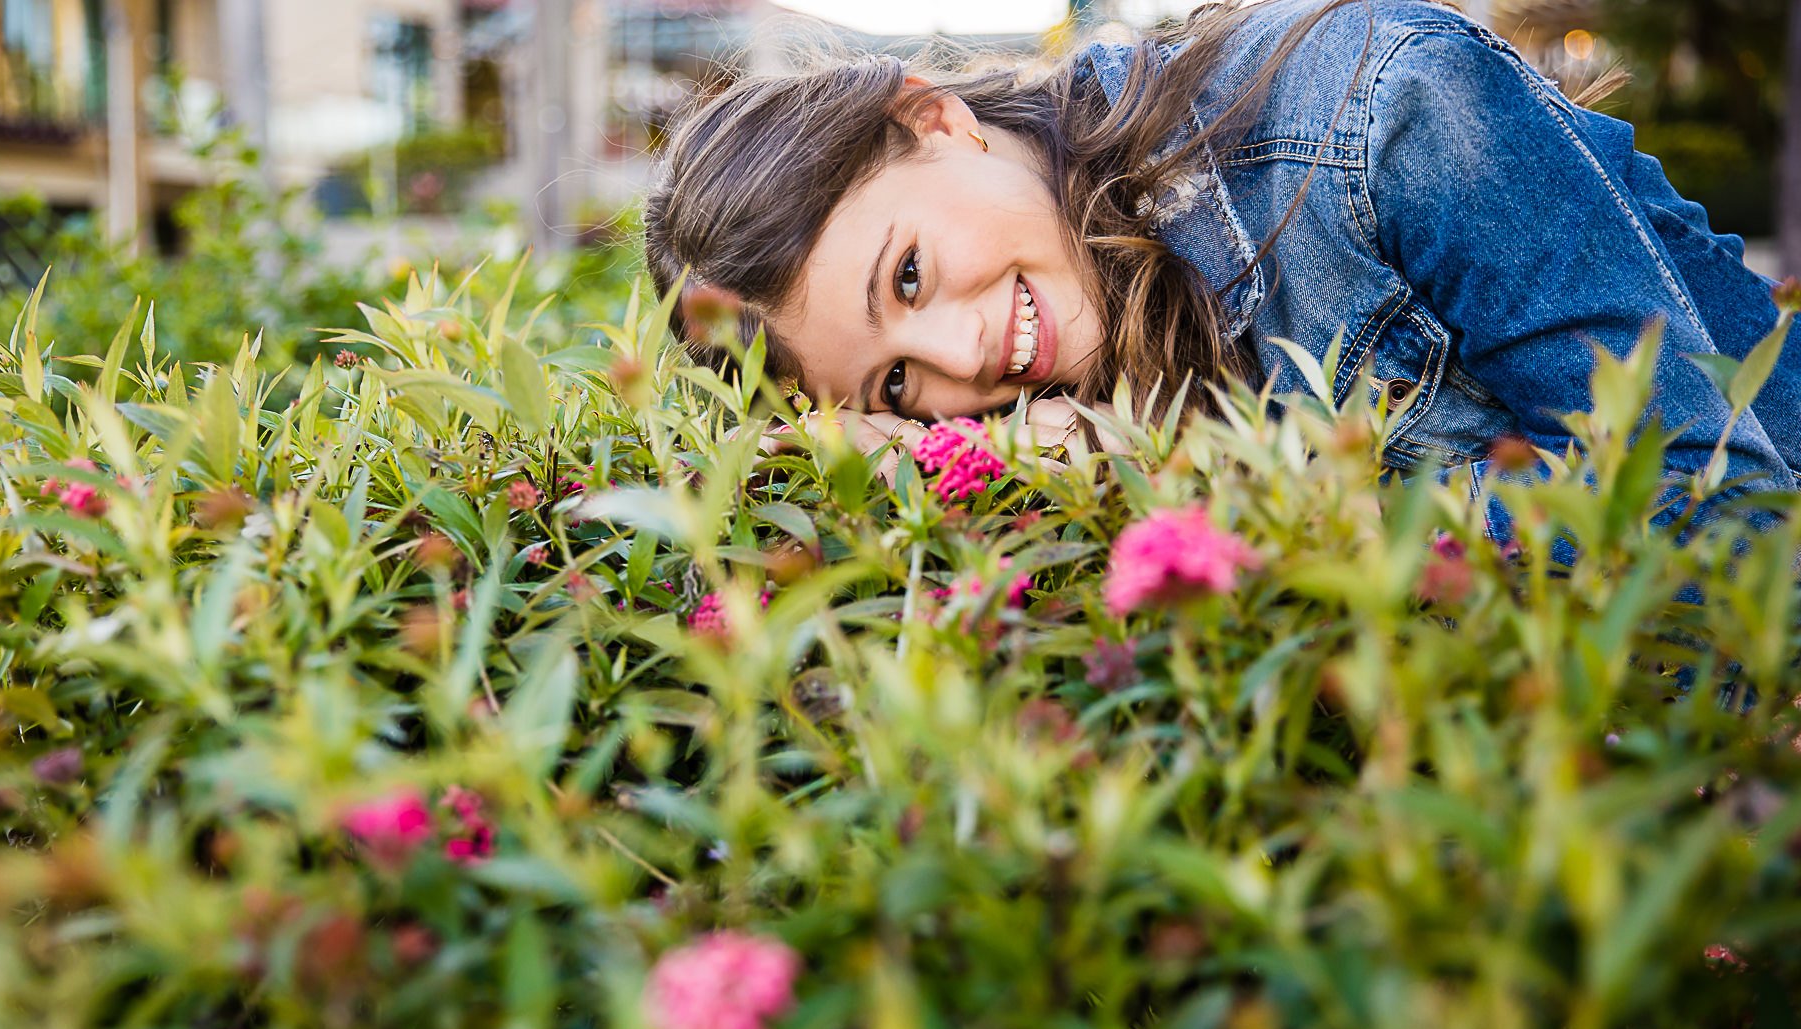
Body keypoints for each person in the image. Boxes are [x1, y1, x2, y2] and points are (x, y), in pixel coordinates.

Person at [640, 0, 1801, 567]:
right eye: (895, 389)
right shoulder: (1060, 408)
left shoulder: (1377, 108)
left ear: (931, 118)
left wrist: (1213, 502)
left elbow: (1712, 524)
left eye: (908, 275)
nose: (962, 360)